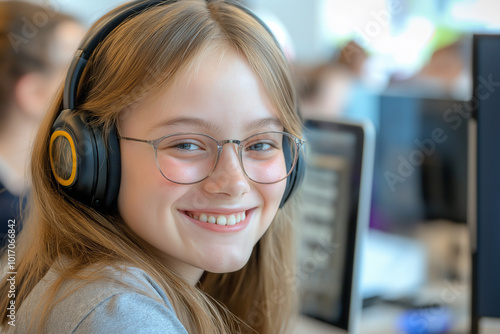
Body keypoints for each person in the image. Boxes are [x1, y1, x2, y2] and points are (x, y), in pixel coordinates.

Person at [0, 0, 305, 333]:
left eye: (261, 144)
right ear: (95, 159)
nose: (234, 182)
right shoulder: (118, 319)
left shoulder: (77, 281)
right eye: (186, 145)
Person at [0, 1, 84, 244]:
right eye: (74, 73)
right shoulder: (16, 220)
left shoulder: (45, 187)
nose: (92, 84)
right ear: (34, 93)